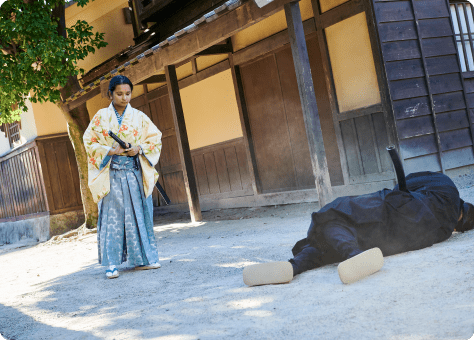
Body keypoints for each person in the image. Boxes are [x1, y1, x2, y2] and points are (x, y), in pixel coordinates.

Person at [243, 171, 474, 286]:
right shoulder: (444, 232)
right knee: (342, 235)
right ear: (460, 226)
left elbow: (406, 183)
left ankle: (341, 257)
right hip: (395, 238)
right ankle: (301, 264)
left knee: (335, 213)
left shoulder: (447, 186)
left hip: (395, 208)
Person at [83, 75, 162, 279]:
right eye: (119, 94)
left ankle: (143, 259)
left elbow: (155, 139)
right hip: (111, 173)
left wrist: (139, 148)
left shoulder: (139, 116)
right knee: (112, 218)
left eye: (128, 94)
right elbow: (89, 141)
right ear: (110, 94)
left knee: (138, 214)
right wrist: (110, 150)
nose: (124, 98)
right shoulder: (101, 117)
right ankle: (111, 264)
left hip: (134, 172)